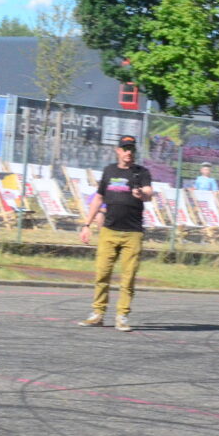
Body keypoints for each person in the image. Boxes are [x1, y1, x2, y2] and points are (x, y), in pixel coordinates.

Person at [77, 135, 152, 332]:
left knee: (128, 277)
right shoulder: (109, 171)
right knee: (102, 273)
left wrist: (141, 195)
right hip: (109, 231)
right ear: (118, 150)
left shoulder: (141, 172)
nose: (128, 152)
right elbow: (99, 197)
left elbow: (149, 193)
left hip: (132, 233)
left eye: (131, 149)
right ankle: (98, 314)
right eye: (125, 148)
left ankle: (122, 316)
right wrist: (87, 224)